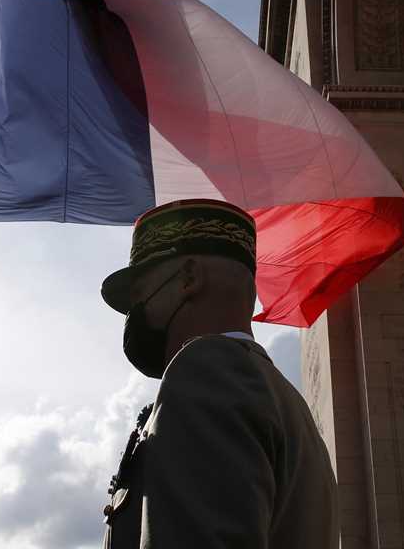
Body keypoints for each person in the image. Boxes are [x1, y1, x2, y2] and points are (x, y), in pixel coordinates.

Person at [99, 199, 338, 548]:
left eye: (140, 295)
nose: (134, 313)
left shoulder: (204, 371)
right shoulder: (287, 403)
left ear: (189, 279)